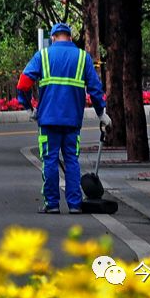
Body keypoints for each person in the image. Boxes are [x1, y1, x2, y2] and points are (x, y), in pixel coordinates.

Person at [17, 23, 110, 215]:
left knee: (49, 160)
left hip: (48, 120)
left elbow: (23, 83)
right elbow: (95, 88)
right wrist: (101, 113)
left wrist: (29, 108)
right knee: (71, 160)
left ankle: (52, 204)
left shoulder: (42, 56)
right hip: (72, 121)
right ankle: (75, 204)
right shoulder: (83, 57)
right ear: (69, 37)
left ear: (52, 38)